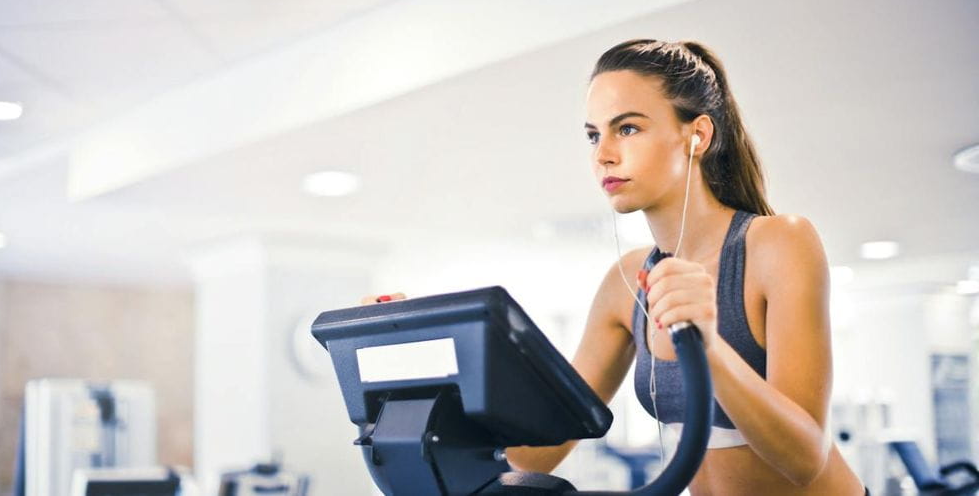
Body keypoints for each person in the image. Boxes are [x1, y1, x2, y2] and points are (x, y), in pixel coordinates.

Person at [363, 39, 866, 495]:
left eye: (627, 128)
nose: (603, 154)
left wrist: (708, 346)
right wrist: (412, 373)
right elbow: (545, 447)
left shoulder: (778, 243)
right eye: (592, 135)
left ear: (697, 136)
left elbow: (805, 458)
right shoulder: (625, 284)